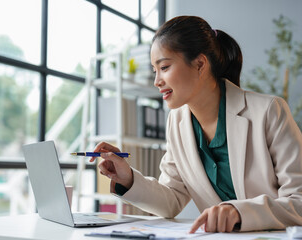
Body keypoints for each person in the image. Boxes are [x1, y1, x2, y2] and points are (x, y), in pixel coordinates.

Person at [90, 16, 302, 233]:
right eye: (155, 71)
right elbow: (171, 199)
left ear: (200, 64)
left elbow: (299, 201)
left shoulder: (268, 111)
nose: (157, 81)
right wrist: (127, 177)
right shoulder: (177, 121)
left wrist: (239, 212)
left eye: (164, 67)